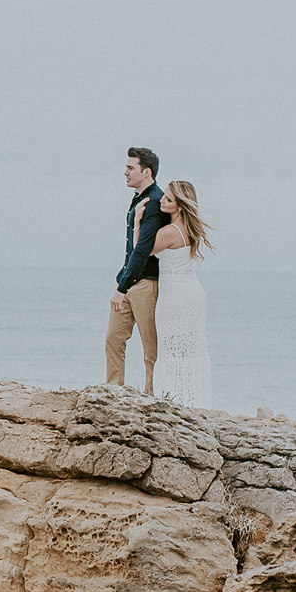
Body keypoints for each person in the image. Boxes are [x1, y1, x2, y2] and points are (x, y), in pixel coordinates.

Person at [151, 180, 214, 407]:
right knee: (190, 352)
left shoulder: (169, 232)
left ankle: (173, 400)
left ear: (179, 205)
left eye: (168, 199)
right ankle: (193, 401)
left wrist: (138, 222)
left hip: (175, 297)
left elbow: (143, 249)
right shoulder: (190, 229)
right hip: (192, 293)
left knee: (171, 350)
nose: (161, 201)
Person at [105, 147, 163, 392]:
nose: (125, 172)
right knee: (113, 338)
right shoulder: (138, 199)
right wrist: (123, 281)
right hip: (129, 280)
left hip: (146, 282)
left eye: (130, 168)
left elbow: (143, 249)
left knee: (150, 346)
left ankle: (152, 393)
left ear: (146, 172)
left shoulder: (155, 201)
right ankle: (113, 391)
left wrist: (121, 288)